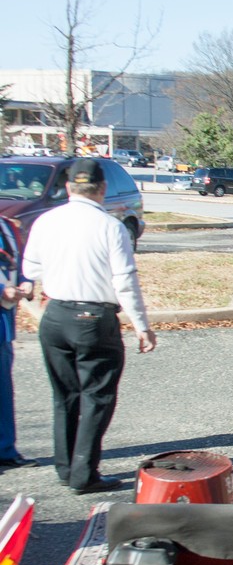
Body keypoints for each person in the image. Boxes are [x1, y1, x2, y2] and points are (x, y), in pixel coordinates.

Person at [22, 159, 157, 493]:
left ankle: (66, 466)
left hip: (54, 315)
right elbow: (124, 280)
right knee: (97, 397)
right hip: (94, 319)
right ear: (102, 188)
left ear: (68, 187)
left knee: (64, 395)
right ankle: (85, 473)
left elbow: (30, 269)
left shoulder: (45, 221)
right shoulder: (110, 227)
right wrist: (142, 325)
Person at [0, 217, 37, 469]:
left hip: (4, 320)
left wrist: (27, 280)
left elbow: (19, 262)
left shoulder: (7, 225)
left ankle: (5, 449)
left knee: (3, 388)